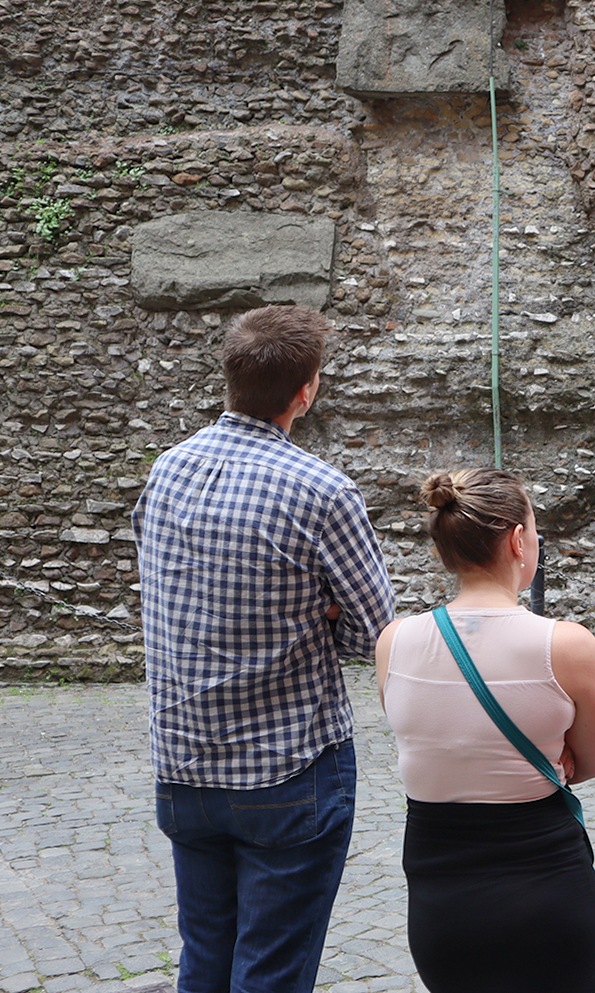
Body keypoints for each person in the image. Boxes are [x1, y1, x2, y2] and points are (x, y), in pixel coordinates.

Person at [133, 305, 395, 993]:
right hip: (287, 774)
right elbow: (378, 632)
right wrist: (322, 616)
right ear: (305, 392)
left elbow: (168, 588)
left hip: (183, 767)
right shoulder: (322, 491)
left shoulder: (166, 472)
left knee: (205, 961)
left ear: (228, 377)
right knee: (270, 975)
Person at [376, 468, 595, 993]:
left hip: (443, 900)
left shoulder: (394, 641)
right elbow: (590, 763)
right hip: (547, 884)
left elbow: (426, 738)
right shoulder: (568, 646)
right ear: (517, 540)